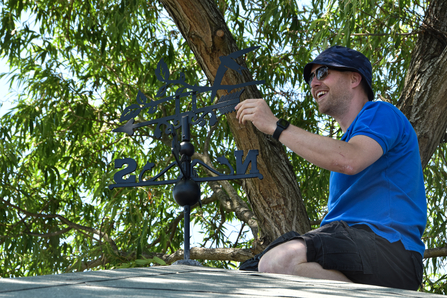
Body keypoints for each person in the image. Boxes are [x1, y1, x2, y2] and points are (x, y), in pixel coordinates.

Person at [235, 46, 427, 290]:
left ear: (354, 78)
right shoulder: (345, 143)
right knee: (255, 274)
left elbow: (350, 159)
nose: (314, 83)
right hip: (356, 248)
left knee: (279, 261)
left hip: (392, 251)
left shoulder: (381, 113)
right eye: (310, 78)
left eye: (323, 72)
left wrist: (276, 126)